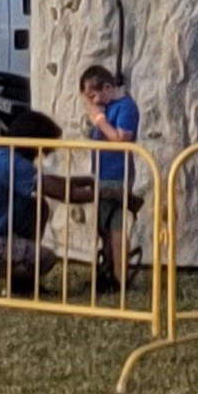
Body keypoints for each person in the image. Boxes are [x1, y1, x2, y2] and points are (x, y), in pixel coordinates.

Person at [0, 110, 95, 296]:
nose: (43, 155)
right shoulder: (13, 164)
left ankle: (20, 284)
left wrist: (87, 181)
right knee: (45, 259)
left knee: (36, 207)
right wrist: (105, 193)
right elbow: (64, 193)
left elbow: (49, 182)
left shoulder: (0, 153)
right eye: (45, 148)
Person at [78, 64, 140, 289]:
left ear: (107, 87)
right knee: (105, 226)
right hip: (102, 173)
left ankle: (120, 277)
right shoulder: (109, 107)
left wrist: (100, 121)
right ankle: (110, 270)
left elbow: (122, 139)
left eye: (94, 95)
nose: (94, 102)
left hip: (116, 174)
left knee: (115, 226)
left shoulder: (125, 107)